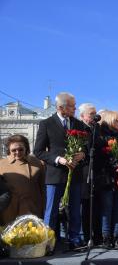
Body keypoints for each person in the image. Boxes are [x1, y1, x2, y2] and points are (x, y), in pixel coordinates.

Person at [34, 92, 87, 250]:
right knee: (51, 211)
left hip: (75, 174)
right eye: (72, 106)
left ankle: (74, 239)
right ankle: (48, 242)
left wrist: (82, 154)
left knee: (75, 209)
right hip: (55, 174)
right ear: (60, 107)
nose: (75, 108)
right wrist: (59, 159)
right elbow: (38, 151)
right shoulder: (46, 124)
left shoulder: (79, 124)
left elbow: (85, 146)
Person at [95, 111, 118, 250]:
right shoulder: (102, 137)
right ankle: (106, 238)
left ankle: (117, 237)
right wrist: (116, 164)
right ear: (109, 121)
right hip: (106, 177)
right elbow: (103, 157)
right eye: (117, 121)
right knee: (107, 209)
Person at [0, 135, 45, 225]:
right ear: (8, 150)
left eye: (21, 149)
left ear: (26, 148)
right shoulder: (1, 164)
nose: (17, 152)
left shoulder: (37, 163)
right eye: (14, 150)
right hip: (10, 210)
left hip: (33, 208)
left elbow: (43, 188)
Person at [78, 103, 102, 245]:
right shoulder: (79, 128)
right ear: (82, 116)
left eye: (95, 113)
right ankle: (86, 236)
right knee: (85, 205)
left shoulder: (96, 128)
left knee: (97, 205)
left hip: (98, 171)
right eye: (91, 114)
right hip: (84, 172)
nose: (94, 116)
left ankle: (97, 236)